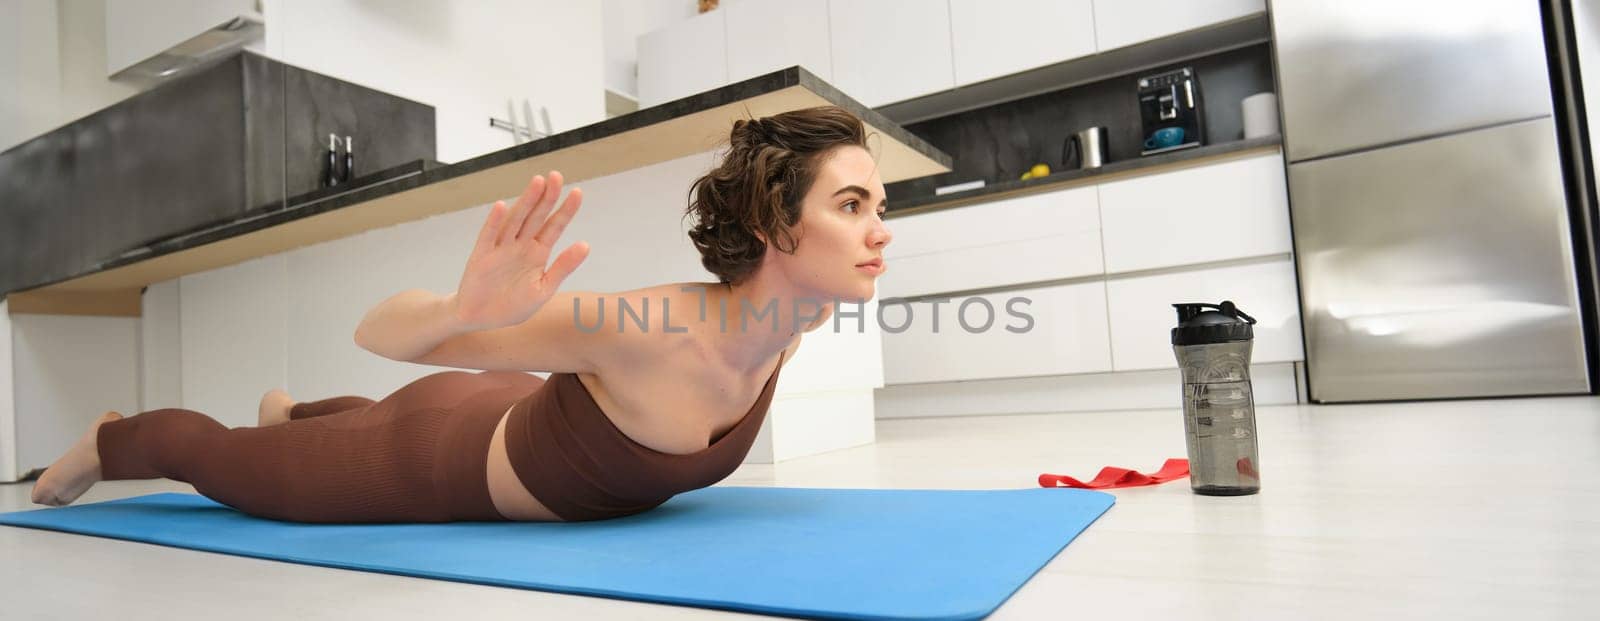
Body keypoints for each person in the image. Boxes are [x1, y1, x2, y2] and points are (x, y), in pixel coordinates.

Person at [29, 105, 894, 523]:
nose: (879, 231)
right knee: (219, 463)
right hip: (431, 458)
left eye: (878, 205)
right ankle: (108, 438)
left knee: (310, 428)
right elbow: (379, 332)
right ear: (772, 225)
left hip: (517, 411)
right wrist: (462, 309)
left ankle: (291, 414)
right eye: (851, 205)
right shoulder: (644, 329)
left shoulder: (799, 319)